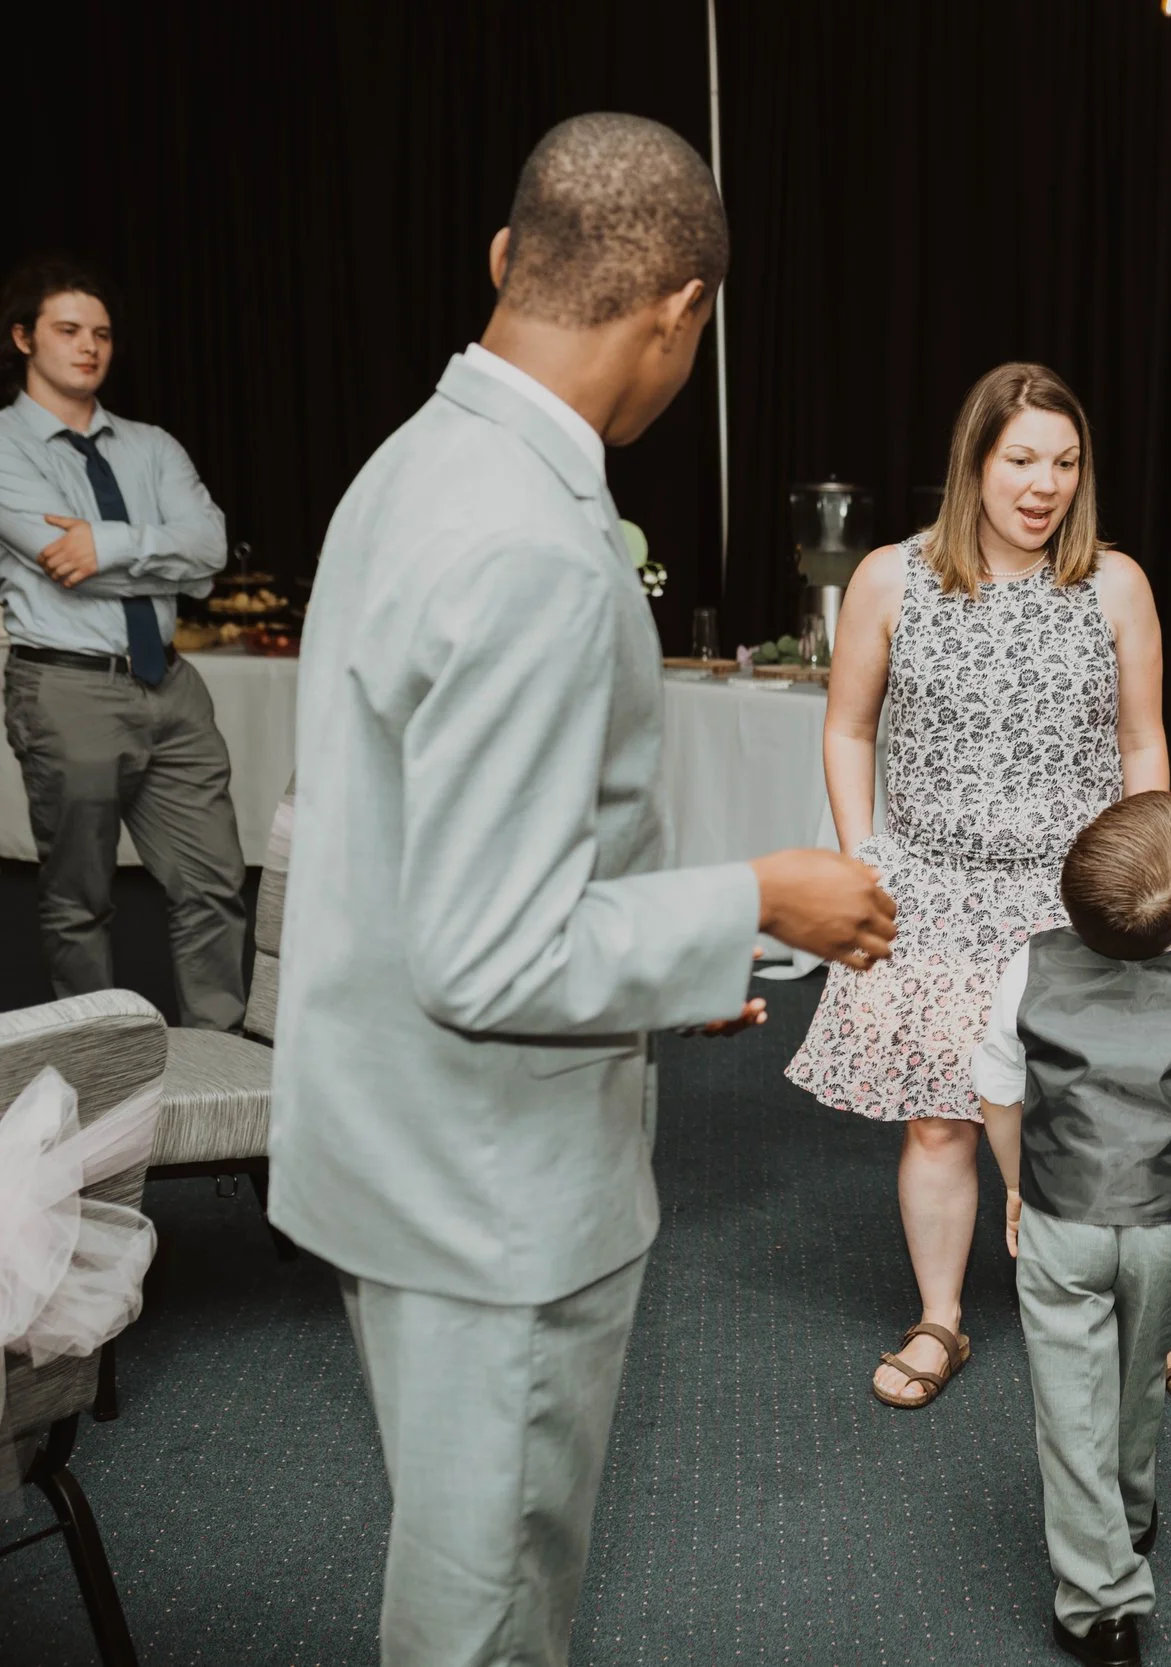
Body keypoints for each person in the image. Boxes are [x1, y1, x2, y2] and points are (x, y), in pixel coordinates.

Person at [269, 114, 896, 1667]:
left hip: (384, 1131)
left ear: (505, 260)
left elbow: (441, 857)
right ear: (680, 312)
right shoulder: (534, 545)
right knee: (483, 1613)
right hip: (489, 1187)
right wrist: (759, 894)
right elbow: (490, 953)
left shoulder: (411, 460)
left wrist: (661, 953)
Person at [787, 362, 1171, 1410]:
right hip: (930, 887)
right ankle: (941, 1316)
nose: (1044, 485)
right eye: (1021, 459)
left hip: (1071, 898)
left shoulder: (1113, 584)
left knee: (1108, 1113)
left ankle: (1155, 1308)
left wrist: (1157, 874)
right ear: (974, 463)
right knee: (940, 1118)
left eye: (1065, 463)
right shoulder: (893, 578)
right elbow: (848, 727)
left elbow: (1142, 738)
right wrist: (866, 864)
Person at [975, 791, 1171, 1667]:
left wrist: (1014, 1185)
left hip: (1061, 1213)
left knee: (1069, 1399)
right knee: (1141, 1368)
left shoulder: (1031, 964)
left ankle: (1099, 1607)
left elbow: (998, 1089)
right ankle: (1132, 1514)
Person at [0, 259, 248, 1032]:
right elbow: (60, 565)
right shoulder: (4, 447)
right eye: (68, 330)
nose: (89, 347)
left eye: (101, 333)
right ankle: (107, 1079)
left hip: (171, 689)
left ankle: (224, 1069)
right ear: (23, 339)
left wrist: (107, 545)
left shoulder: (153, 447)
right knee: (80, 900)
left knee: (213, 883)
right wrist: (153, 554)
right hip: (69, 690)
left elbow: (210, 548)